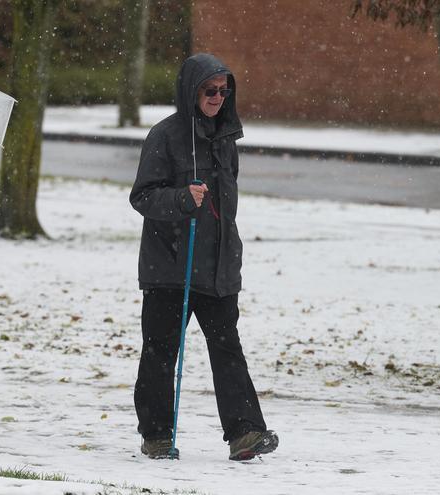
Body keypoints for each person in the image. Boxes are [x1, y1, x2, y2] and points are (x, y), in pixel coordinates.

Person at [129, 53, 279, 461]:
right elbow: (141, 197)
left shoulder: (226, 139)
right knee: (160, 352)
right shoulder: (165, 135)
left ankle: (245, 433)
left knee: (227, 348)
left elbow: (226, 205)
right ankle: (157, 434)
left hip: (217, 268)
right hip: (171, 266)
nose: (217, 97)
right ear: (191, 91)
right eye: (210, 90)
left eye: (223, 91)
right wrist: (180, 198)